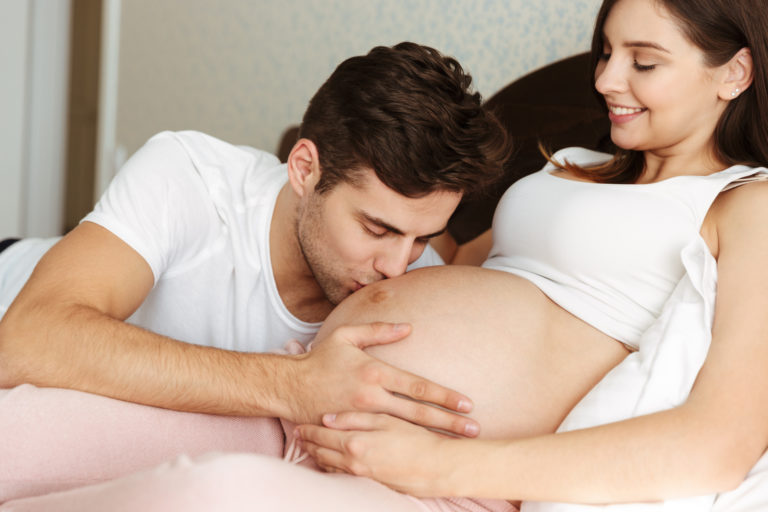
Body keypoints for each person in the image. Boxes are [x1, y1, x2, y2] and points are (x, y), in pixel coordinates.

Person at [3, 0, 767, 509]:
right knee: (19, 434)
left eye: (643, 61)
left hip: (431, 479)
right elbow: (456, 283)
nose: (605, 78)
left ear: (733, 71)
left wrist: (432, 465)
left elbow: (717, 443)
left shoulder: (749, 204)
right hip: (311, 408)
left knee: (218, 496)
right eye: (605, 51)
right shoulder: (567, 166)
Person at [0, 42, 512, 503]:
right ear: (305, 169)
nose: (398, 266)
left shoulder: (421, 283)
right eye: (376, 228)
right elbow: (25, 343)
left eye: (421, 237)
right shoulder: (189, 178)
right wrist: (292, 384)